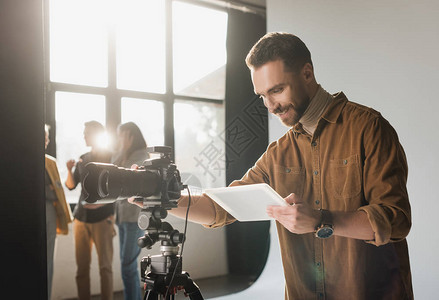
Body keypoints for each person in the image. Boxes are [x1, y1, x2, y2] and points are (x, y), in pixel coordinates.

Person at [134, 32, 413, 299]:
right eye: (262, 96)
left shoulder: (370, 128)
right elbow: (220, 208)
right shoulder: (278, 154)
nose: (271, 105)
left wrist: (320, 219)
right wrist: (160, 196)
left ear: (307, 73)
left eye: (277, 90)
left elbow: (396, 219)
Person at [65, 121, 115, 300]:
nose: (84, 136)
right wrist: (69, 170)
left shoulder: (110, 157)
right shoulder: (83, 158)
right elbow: (71, 186)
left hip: (103, 219)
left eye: (86, 133)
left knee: (105, 268)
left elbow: (116, 189)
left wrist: (102, 206)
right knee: (82, 268)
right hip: (80, 218)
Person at [112, 122, 149, 300]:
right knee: (126, 265)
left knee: (128, 265)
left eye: (122, 135)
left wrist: (124, 152)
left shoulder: (142, 156)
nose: (119, 139)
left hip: (135, 218)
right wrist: (122, 150)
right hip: (122, 218)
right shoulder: (123, 155)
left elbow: (125, 179)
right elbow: (110, 173)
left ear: (131, 136)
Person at [44, 124, 73, 299]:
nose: (47, 141)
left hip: (49, 213)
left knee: (48, 262)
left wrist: (49, 190)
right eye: (45, 137)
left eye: (47, 137)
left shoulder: (50, 162)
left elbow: (57, 190)